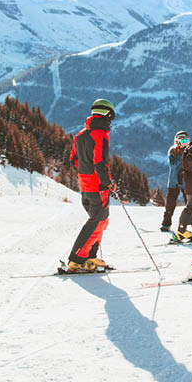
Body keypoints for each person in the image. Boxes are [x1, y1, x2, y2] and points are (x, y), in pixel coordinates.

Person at [66, 98, 117, 272]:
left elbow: (73, 159)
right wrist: (107, 182)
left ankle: (89, 256)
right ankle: (77, 259)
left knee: (101, 220)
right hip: (97, 186)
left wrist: (85, 174)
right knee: (96, 221)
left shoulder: (80, 135)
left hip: (85, 185)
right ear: (107, 115)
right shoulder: (100, 135)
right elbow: (100, 162)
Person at [160, 131, 189, 232]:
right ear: (177, 141)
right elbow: (173, 166)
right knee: (170, 204)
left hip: (186, 181)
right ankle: (166, 224)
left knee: (189, 203)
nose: (185, 143)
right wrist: (182, 155)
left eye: (187, 140)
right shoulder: (173, 151)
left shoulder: (189, 150)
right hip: (174, 181)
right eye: (183, 141)